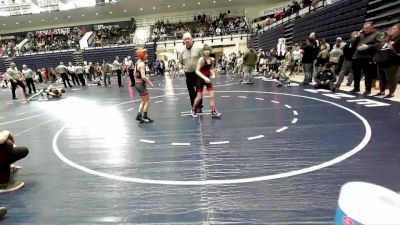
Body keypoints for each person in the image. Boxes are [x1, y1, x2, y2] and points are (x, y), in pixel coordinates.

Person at [351, 22, 383, 96]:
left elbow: (379, 44)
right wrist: (357, 37)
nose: (365, 30)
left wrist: (368, 46)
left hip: (367, 57)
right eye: (364, 28)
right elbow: (353, 45)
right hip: (356, 56)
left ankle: (367, 90)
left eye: (367, 28)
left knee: (368, 74)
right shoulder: (361, 35)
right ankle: (356, 88)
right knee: (356, 74)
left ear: (372, 27)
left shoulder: (378, 34)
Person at [191, 44, 221, 118]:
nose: (206, 51)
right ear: (203, 51)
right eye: (205, 50)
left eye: (207, 50)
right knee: (199, 97)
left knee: (212, 96)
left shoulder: (212, 59)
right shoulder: (201, 59)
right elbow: (197, 71)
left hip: (207, 79)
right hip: (201, 79)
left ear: (210, 51)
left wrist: (213, 74)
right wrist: (205, 78)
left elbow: (211, 68)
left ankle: (213, 111)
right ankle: (194, 109)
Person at [374, 24, 400, 98]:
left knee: (391, 78)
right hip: (382, 62)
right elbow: (380, 49)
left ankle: (391, 93)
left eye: (394, 29)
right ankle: (382, 92)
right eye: (391, 29)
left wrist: (393, 49)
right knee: (381, 78)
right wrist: (376, 57)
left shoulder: (399, 39)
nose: (391, 30)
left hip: (392, 62)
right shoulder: (388, 39)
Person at [179, 32, 203, 112]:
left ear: (191, 39)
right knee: (191, 91)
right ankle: (194, 106)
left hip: (198, 73)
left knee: (198, 90)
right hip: (188, 74)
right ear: (183, 41)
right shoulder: (182, 51)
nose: (187, 40)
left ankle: (199, 106)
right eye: (185, 39)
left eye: (188, 39)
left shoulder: (198, 48)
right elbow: (180, 62)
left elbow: (202, 59)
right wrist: (181, 68)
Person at [135, 49, 154, 123]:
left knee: (143, 100)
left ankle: (139, 115)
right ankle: (145, 116)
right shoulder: (142, 64)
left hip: (138, 83)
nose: (147, 55)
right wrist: (150, 83)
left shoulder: (138, 62)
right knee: (147, 101)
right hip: (141, 85)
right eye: (145, 54)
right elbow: (143, 76)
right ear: (142, 55)